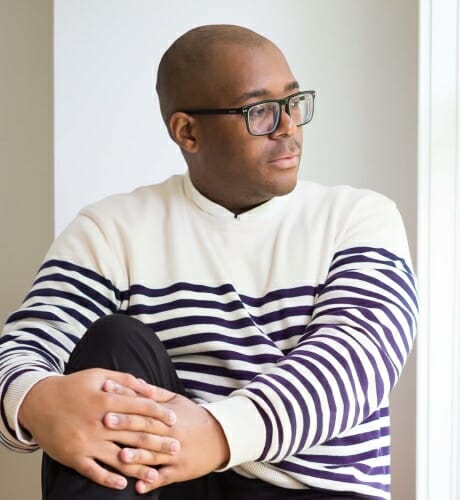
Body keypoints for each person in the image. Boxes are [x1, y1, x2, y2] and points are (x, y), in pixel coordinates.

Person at [0, 24, 417, 500]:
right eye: (260, 111)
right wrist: (35, 400)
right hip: (167, 483)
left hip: (312, 489)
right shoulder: (111, 229)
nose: (288, 128)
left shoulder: (358, 217)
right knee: (115, 343)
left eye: (294, 102)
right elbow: (24, 346)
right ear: (188, 132)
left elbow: (356, 361)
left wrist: (217, 434)